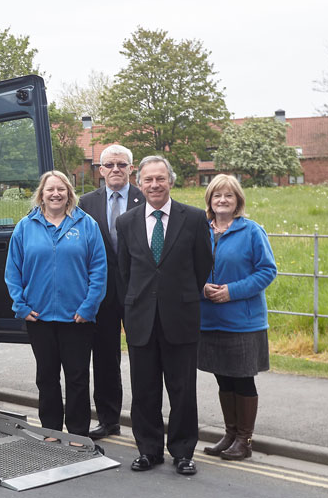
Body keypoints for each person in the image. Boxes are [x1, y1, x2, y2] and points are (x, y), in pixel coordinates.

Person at [115, 156, 213, 475]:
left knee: (182, 390)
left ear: (170, 180)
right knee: (144, 390)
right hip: (140, 318)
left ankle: (183, 452)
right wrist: (131, 310)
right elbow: (124, 272)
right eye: (148, 180)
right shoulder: (126, 222)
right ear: (139, 183)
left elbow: (202, 266)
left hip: (180, 317)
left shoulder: (195, 218)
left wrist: (179, 296)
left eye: (160, 179)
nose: (154, 185)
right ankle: (149, 450)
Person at [5, 170, 107, 438]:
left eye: (61, 189)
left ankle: (76, 434)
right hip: (39, 319)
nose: (55, 194)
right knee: (47, 378)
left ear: (69, 193)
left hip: (77, 318)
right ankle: (51, 431)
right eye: (50, 189)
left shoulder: (87, 225)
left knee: (77, 378)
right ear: (41, 194)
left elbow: (99, 270)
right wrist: (21, 306)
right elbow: (12, 272)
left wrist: (88, 308)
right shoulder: (25, 227)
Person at [199, 174, 277, 461]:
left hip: (243, 321)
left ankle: (245, 440)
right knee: (224, 380)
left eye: (228, 196)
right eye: (217, 195)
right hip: (209, 319)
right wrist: (201, 288)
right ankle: (230, 434)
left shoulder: (252, 231)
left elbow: (267, 271)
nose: (222, 200)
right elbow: (187, 268)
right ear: (209, 200)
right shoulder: (200, 231)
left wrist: (232, 291)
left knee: (243, 380)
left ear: (237, 201)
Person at [79, 144, 145, 440]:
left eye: (122, 164)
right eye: (109, 165)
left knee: (143, 358)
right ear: (100, 170)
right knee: (104, 359)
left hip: (139, 292)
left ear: (131, 169)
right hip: (101, 293)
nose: (115, 170)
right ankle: (108, 420)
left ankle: (145, 420)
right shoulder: (84, 203)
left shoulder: (146, 198)